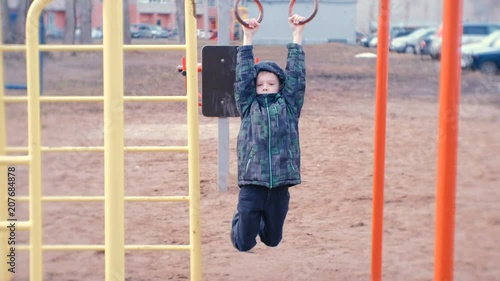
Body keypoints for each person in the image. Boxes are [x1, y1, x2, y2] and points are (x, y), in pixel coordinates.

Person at [230, 14, 307, 252]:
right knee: (243, 243)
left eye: (271, 83)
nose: (264, 86)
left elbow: (296, 76)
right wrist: (248, 36)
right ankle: (242, 218)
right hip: (253, 182)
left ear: (280, 86)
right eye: (260, 83)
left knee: (272, 240)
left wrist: (297, 34)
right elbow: (243, 75)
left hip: (280, 184)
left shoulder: (289, 106)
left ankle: (259, 218)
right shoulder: (248, 105)